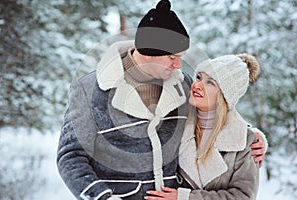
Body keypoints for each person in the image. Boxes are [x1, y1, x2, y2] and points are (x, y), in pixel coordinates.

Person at [57, 0, 266, 199]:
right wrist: (102, 197)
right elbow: (71, 156)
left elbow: (214, 112)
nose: (178, 65)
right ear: (148, 52)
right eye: (172, 57)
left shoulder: (182, 84)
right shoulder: (88, 90)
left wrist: (251, 137)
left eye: (182, 57)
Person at [145, 54, 263, 200]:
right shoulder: (177, 122)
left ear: (225, 96)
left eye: (210, 83)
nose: (197, 85)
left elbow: (243, 196)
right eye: (199, 77)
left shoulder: (244, 141)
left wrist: (185, 197)